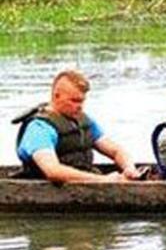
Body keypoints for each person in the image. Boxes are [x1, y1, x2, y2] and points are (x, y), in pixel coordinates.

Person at [13, 70, 141, 183]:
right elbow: (53, 171)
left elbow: (116, 151)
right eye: (74, 101)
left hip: (88, 179)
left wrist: (129, 168)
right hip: (49, 188)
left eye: (82, 101)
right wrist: (104, 180)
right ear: (56, 96)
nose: (80, 106)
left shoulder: (83, 120)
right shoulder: (40, 128)